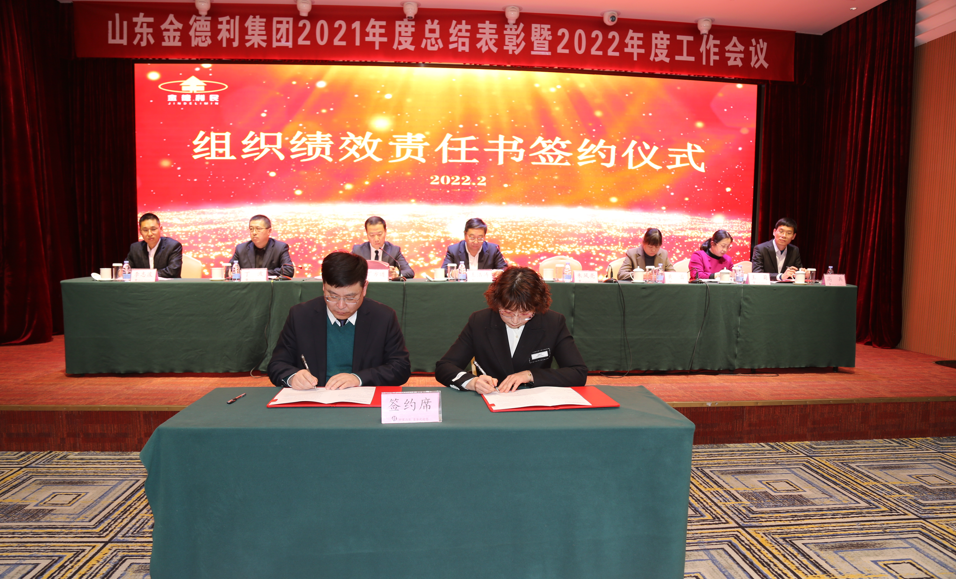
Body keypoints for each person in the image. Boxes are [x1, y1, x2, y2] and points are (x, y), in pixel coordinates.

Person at [267, 252, 411, 390]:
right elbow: (277, 364)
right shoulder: (300, 315)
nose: (341, 306)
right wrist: (293, 377)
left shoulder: (383, 317)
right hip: (314, 400)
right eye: (333, 296)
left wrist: (359, 379)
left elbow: (400, 368)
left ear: (364, 288)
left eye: (350, 298)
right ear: (323, 286)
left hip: (363, 401)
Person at [435, 266, 587, 393]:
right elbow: (444, 367)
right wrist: (472, 382)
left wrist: (530, 375)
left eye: (525, 314)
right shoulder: (480, 321)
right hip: (490, 400)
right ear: (497, 304)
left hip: (534, 401)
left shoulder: (553, 322)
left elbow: (578, 372)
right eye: (507, 313)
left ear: (536, 307)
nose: (515, 320)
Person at [230, 215, 295, 278]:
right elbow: (229, 270)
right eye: (251, 229)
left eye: (258, 229)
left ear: (269, 231)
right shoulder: (241, 249)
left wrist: (261, 274)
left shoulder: (280, 248)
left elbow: (288, 270)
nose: (254, 233)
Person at [350, 216, 414, 279]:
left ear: (385, 232)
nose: (376, 239)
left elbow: (409, 272)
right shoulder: (358, 251)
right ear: (367, 234)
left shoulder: (394, 250)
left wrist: (396, 273)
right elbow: (347, 271)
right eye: (372, 235)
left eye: (379, 234)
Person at [126, 213, 183, 278]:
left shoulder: (173, 246)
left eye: (153, 229)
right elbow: (127, 270)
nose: (149, 234)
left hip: (166, 284)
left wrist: (146, 275)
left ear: (160, 229)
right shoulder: (135, 248)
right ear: (140, 232)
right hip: (143, 284)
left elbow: (172, 272)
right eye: (145, 230)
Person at [440, 218, 508, 271]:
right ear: (465, 235)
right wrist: (452, 273)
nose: (476, 242)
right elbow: (444, 270)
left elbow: (505, 269)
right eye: (472, 237)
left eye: (480, 238)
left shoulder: (493, 250)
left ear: (484, 236)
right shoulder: (453, 250)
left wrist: (500, 272)